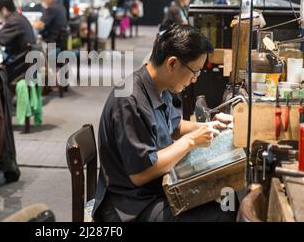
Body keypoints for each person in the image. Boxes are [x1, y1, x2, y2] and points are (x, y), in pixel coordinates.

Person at [92, 23, 236, 222]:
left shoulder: (160, 87)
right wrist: (191, 141)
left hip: (154, 190)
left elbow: (173, 126)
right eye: (194, 71)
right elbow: (140, 174)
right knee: (220, 213)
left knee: (227, 199)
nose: (194, 79)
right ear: (172, 63)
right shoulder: (129, 100)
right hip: (130, 205)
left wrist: (208, 127)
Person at [0, 0, 36, 82]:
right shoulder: (18, 17)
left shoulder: (13, 21)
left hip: (19, 67)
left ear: (4, 10)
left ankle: (3, 95)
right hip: (24, 63)